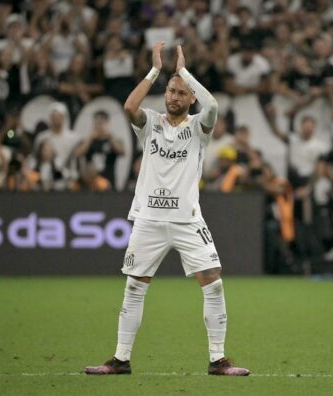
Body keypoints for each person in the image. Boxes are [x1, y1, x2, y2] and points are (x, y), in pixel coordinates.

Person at [84, 43, 249, 376]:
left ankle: (218, 360)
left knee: (213, 283)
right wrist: (156, 70)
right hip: (149, 219)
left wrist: (185, 71)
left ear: (191, 99)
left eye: (181, 92)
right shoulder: (150, 124)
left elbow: (213, 104)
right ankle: (121, 359)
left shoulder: (199, 129)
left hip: (187, 220)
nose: (173, 96)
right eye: (171, 90)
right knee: (134, 286)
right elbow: (129, 105)